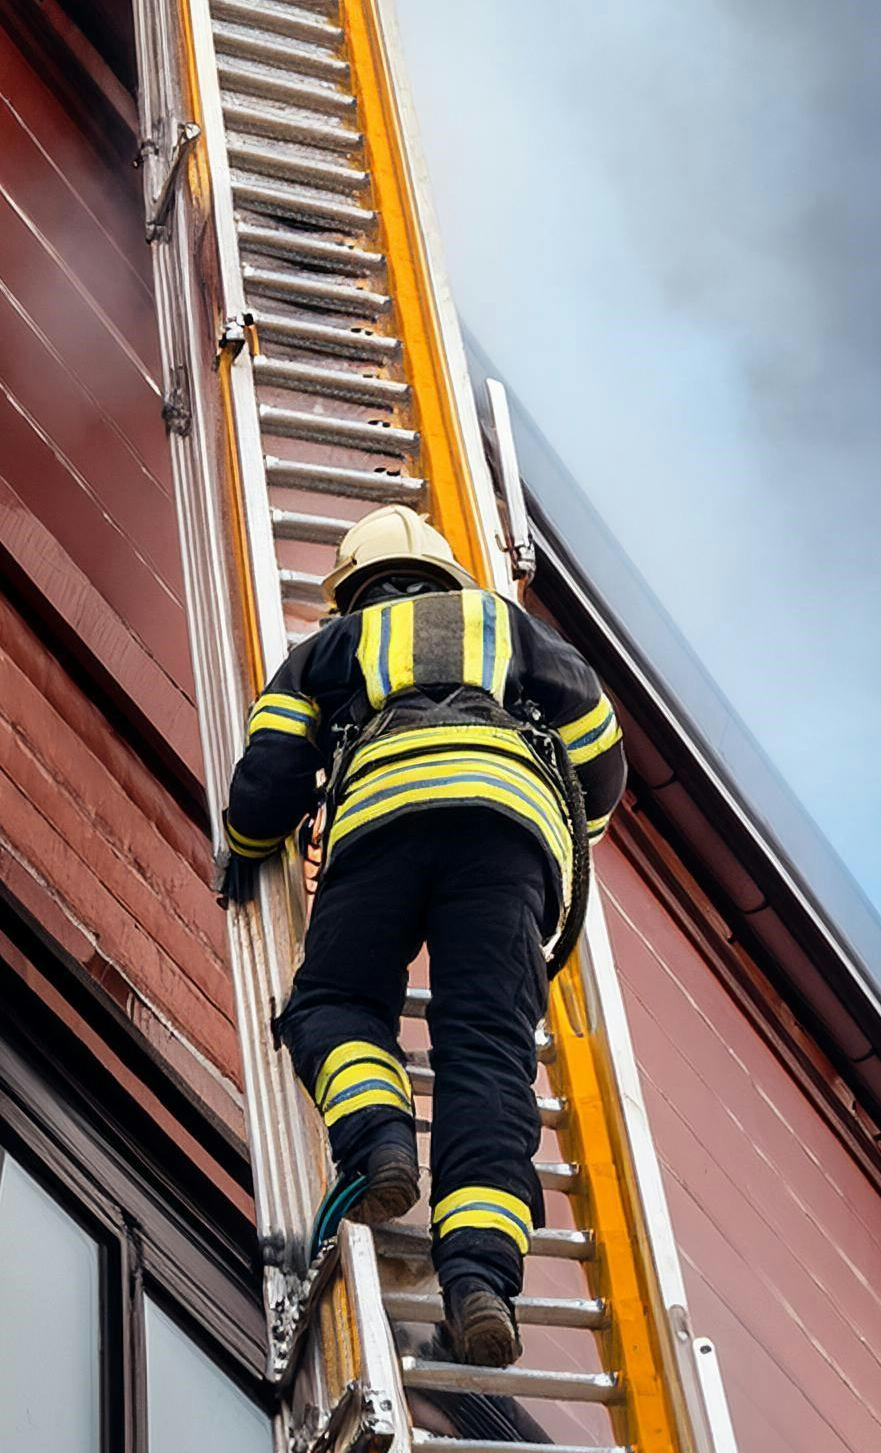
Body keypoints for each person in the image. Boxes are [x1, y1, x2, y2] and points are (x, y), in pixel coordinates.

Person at [216, 507, 626, 1366]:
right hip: (510, 841)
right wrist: (557, 839)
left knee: (333, 1001)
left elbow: (269, 780)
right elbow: (601, 752)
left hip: (383, 824)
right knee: (487, 1052)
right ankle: (479, 1281)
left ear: (350, 591)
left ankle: (380, 1139)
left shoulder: (332, 648)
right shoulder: (509, 628)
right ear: (445, 577)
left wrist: (246, 850)